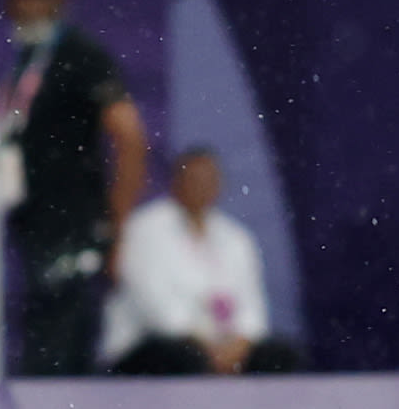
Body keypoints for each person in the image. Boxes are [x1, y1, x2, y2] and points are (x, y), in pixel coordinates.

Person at [0, 0, 144, 378]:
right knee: (45, 354)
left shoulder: (81, 56)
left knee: (55, 365)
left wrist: (115, 228)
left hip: (73, 234)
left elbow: (131, 138)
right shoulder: (26, 57)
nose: (25, 5)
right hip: (36, 230)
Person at [105, 146, 299, 375]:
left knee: (279, 357)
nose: (202, 187)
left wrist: (241, 344)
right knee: (186, 358)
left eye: (210, 180)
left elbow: (252, 304)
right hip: (153, 344)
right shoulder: (145, 228)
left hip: (220, 345)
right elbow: (154, 305)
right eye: (194, 179)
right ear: (176, 182)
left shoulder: (235, 236)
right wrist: (206, 346)